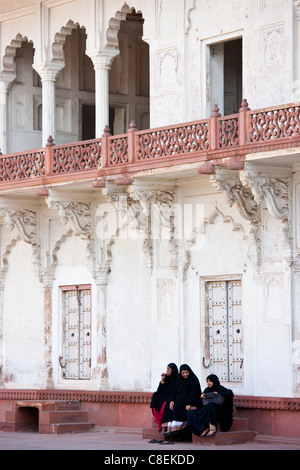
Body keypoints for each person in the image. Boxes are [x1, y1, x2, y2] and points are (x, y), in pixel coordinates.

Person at [161, 364, 201, 434]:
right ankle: (168, 427)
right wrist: (172, 400)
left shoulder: (193, 379)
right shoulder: (179, 380)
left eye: (186, 372)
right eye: (183, 373)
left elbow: (194, 394)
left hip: (189, 400)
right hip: (179, 399)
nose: (185, 374)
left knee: (177, 406)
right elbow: (174, 392)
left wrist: (190, 404)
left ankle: (177, 427)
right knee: (168, 405)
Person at [150, 363, 178, 432]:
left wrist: (172, 400)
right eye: (167, 369)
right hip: (166, 396)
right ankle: (158, 421)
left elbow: (176, 391)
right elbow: (160, 390)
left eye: (168, 369)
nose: (166, 371)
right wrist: (162, 380)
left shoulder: (177, 379)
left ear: (172, 370)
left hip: (173, 397)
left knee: (165, 405)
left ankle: (163, 425)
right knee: (156, 395)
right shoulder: (167, 378)